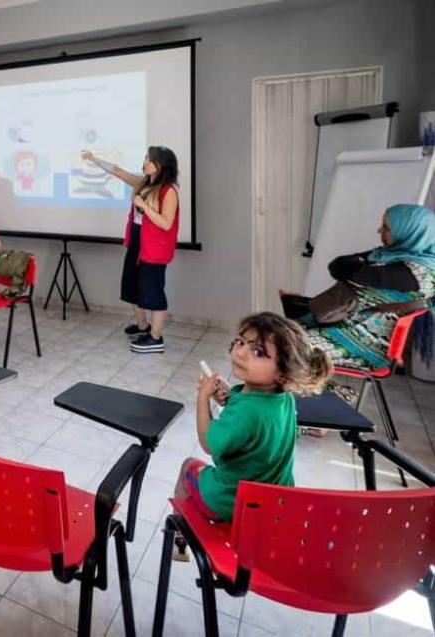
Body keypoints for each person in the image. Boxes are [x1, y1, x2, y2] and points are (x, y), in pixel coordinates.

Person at [173, 312, 331, 551]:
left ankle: (179, 536)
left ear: (282, 373)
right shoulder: (283, 397)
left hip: (234, 501)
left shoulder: (247, 413)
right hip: (275, 499)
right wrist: (231, 397)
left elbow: (208, 442)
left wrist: (203, 398)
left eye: (257, 352)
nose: (240, 352)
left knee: (187, 466)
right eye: (240, 342)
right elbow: (251, 416)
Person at [282, 204, 435, 373]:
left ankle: (270, 394)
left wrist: (358, 264)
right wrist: (356, 266)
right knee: (269, 333)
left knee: (281, 347)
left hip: (361, 344)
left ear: (410, 232)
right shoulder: (392, 253)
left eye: (386, 228)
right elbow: (338, 265)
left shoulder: (414, 275)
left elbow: (351, 270)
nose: (379, 231)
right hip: (338, 319)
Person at [81, 147, 180, 354]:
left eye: (148, 159)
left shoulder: (168, 191)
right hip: (138, 239)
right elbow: (118, 171)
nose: (144, 162)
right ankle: (143, 326)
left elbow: (166, 223)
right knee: (133, 284)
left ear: (159, 166)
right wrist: (94, 158)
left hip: (154, 246)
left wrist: (143, 206)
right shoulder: (144, 183)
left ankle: (156, 337)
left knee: (153, 289)